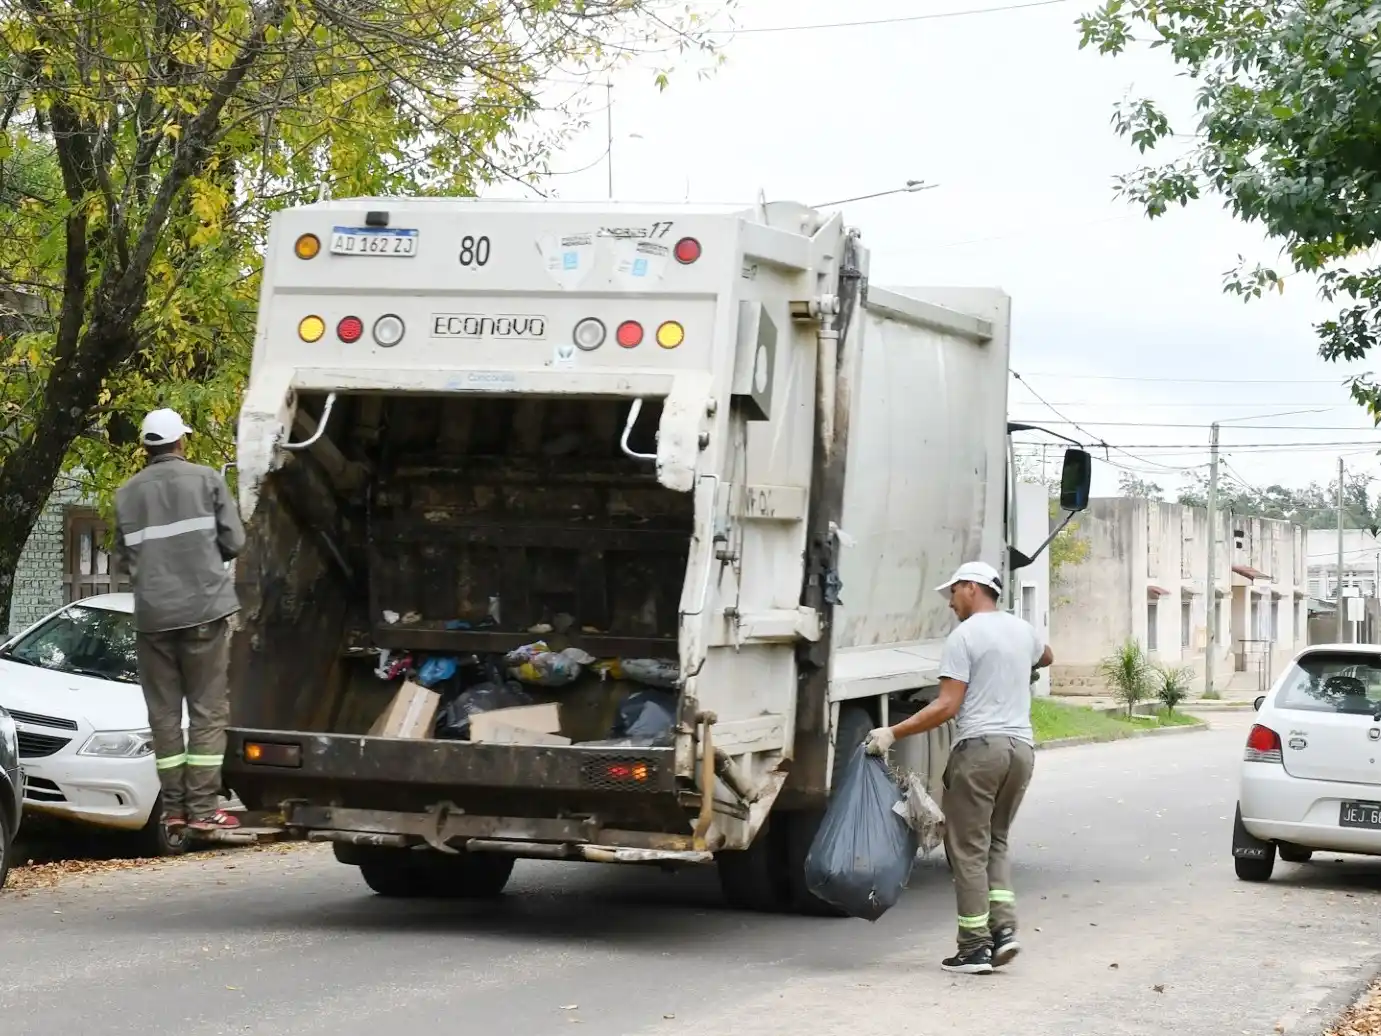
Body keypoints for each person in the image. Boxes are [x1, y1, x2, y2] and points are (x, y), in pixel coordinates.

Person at [864, 560, 1052, 976]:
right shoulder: (1022, 630)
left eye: (953, 592)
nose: (950, 602)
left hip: (981, 750)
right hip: (1021, 750)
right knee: (995, 841)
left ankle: (974, 947)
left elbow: (947, 705)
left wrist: (893, 732)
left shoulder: (964, 636)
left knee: (966, 849)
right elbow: (1048, 655)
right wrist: (1017, 668)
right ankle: (1004, 932)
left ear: (972, 588)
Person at [114, 408, 246, 834]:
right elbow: (236, 541)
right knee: (207, 712)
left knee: (165, 717)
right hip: (204, 611)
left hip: (153, 619)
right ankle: (204, 809)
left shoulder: (126, 494)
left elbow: (124, 557)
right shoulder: (207, 479)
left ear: (146, 446)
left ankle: (173, 810)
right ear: (181, 442)